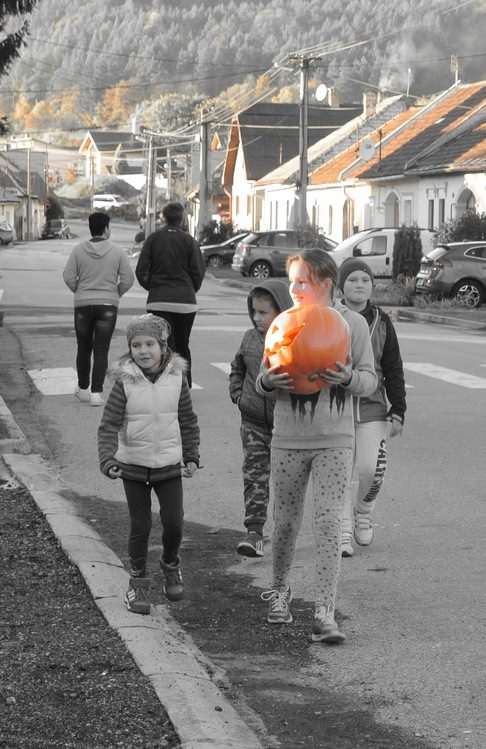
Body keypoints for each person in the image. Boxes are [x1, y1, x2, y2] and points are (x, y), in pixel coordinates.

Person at [256, 249, 377, 644]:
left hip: (335, 439)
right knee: (286, 522)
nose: (293, 288)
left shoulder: (353, 324)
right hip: (288, 439)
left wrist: (348, 379)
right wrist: (268, 382)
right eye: (292, 280)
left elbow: (369, 380)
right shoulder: (283, 323)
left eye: (302, 281)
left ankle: (325, 611)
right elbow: (262, 379)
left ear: (325, 284)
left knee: (328, 522)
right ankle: (279, 589)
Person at [97, 313, 200, 615]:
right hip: (132, 466)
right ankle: (137, 584)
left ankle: (170, 563)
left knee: (174, 524)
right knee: (140, 526)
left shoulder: (177, 378)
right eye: (136, 345)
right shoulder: (125, 381)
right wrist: (108, 459)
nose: (143, 351)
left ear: (163, 345)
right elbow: (108, 425)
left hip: (168, 465)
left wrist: (191, 455)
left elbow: (187, 420)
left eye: (149, 344)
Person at [338, 259, 406, 557]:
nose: (360, 285)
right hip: (336, 410)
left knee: (372, 470)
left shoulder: (383, 322)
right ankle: (341, 529)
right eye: (352, 279)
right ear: (340, 286)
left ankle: (363, 511)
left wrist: (398, 409)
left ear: (372, 286)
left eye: (365, 280)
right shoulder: (331, 317)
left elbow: (393, 367)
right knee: (339, 473)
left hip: (373, 409)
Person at [229, 279, 292, 557]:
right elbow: (237, 368)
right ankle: (254, 533)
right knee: (255, 477)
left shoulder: (293, 340)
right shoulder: (249, 338)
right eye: (254, 311)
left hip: (285, 426)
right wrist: (238, 395)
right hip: (252, 422)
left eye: (263, 312)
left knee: (287, 482)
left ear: (282, 311)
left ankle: (285, 533)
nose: (257, 318)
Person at [62, 211, 134, 406]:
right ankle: (96, 393)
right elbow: (128, 279)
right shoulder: (117, 252)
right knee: (101, 349)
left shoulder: (78, 250)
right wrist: (115, 293)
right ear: (106, 228)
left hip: (83, 305)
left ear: (90, 228)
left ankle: (83, 389)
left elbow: (68, 276)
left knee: (83, 348)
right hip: (108, 305)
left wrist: (79, 291)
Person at [135, 202, 206, 388]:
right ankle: (184, 385)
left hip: (158, 301)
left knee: (161, 344)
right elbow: (199, 270)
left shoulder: (153, 239)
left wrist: (152, 288)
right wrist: (192, 289)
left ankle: (164, 384)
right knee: (182, 344)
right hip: (185, 303)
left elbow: (141, 270)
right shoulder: (189, 241)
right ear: (182, 219)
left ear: (164, 218)